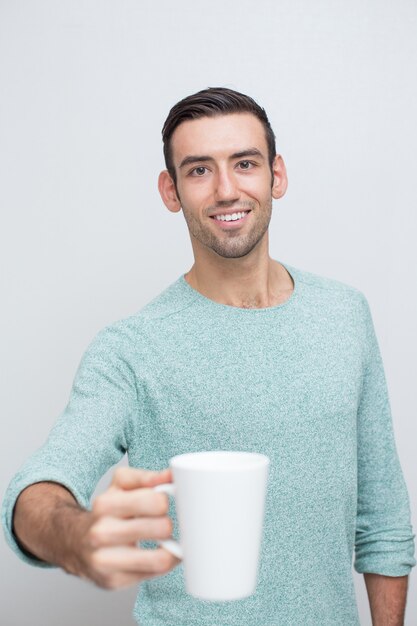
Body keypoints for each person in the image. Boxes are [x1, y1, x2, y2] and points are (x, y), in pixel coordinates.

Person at [2, 87, 415, 626]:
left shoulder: (345, 316)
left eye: (245, 163)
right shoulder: (131, 349)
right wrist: (76, 537)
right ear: (170, 191)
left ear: (277, 176)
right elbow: (34, 492)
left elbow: (383, 520)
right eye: (199, 171)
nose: (226, 190)